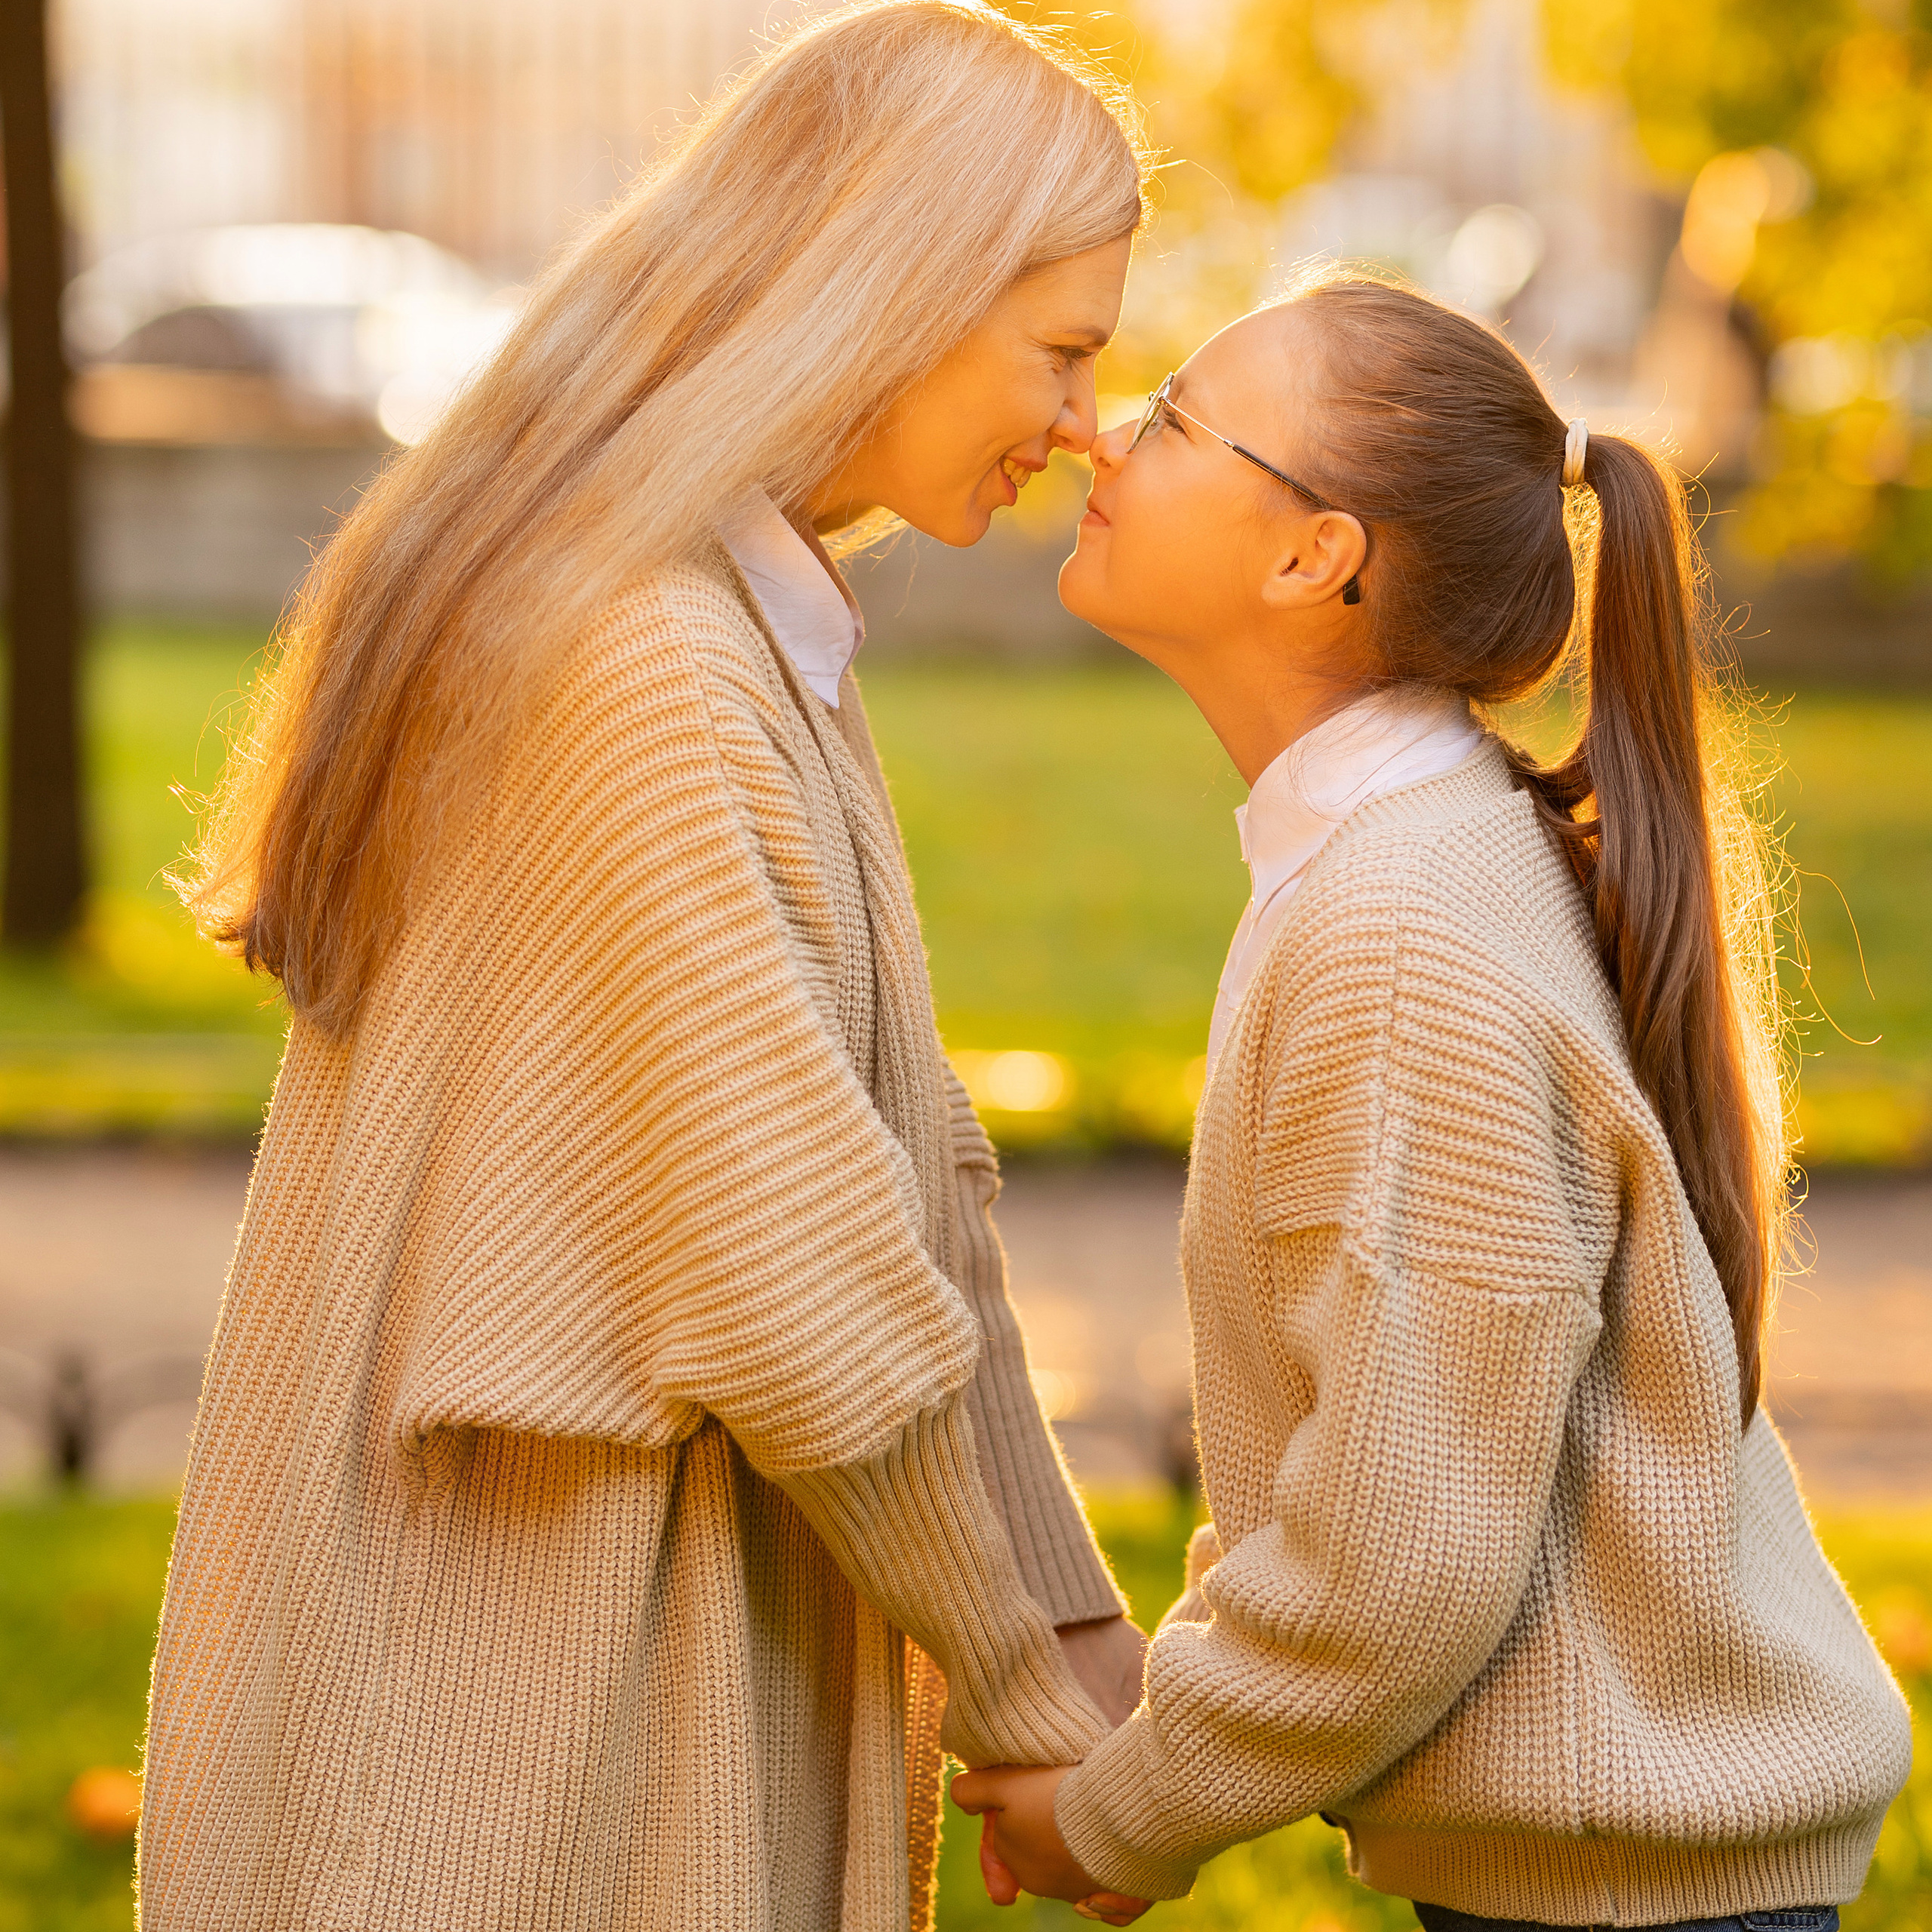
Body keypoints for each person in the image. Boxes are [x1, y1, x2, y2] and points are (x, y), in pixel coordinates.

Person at [140, 5, 1153, 1927]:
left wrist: (1077, 1634)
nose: (1087, 424)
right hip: (519, 1735)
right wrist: (1026, 1699)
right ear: (896, 287)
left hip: (561, 1678)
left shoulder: (733, 621)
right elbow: (812, 1302)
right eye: (1065, 350)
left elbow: (910, 1187)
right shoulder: (648, 663)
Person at [954, 273, 1913, 1931]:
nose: (1103, 432)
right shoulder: (1403, 856)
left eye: (1176, 415)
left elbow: (1397, 1557)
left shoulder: (1398, 926)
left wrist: (1120, 1813)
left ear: (1309, 557)